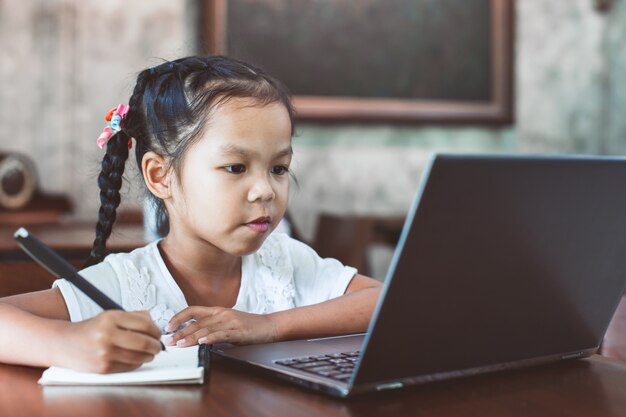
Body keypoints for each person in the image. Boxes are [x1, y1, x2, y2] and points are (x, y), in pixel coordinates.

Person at [0, 55, 382, 374]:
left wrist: (269, 327)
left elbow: (384, 299)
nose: (266, 189)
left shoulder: (285, 261)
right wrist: (66, 344)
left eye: (279, 168)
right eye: (235, 167)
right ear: (160, 176)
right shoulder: (123, 283)